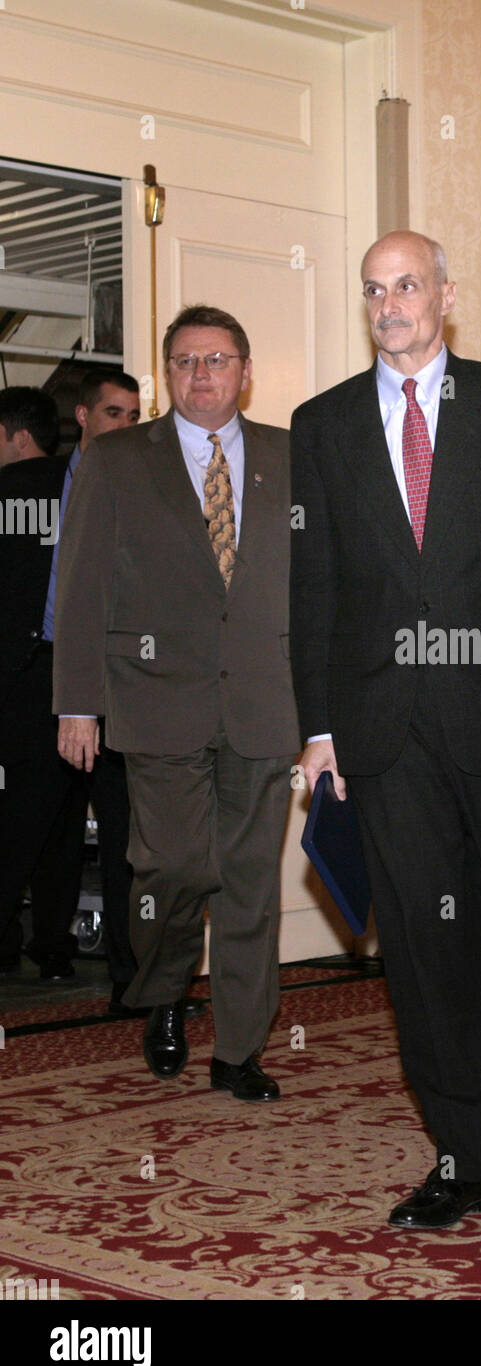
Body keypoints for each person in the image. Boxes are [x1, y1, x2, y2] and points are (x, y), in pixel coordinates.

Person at [291, 231, 481, 1228]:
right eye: (374, 289)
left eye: (407, 285)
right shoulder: (322, 424)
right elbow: (312, 584)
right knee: (418, 935)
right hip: (380, 724)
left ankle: (452, 1044)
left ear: (447, 293)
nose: (390, 303)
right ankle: (464, 1147)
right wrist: (317, 730)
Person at [54, 306, 299, 1100]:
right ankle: (162, 993)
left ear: (245, 372)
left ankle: (238, 1047)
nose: (203, 375)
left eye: (218, 360)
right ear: (169, 375)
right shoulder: (119, 459)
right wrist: (76, 705)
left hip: (263, 703)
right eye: (187, 362)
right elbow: (83, 586)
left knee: (250, 884)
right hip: (156, 703)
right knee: (175, 866)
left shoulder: (290, 458)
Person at [46, 371, 143, 1010]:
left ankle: (131, 979)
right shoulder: (38, 487)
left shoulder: (142, 486)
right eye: (113, 412)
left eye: (135, 416)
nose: (125, 427)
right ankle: (45, 952)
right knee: (43, 829)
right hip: (39, 681)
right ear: (83, 415)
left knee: (123, 840)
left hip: (120, 688)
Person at [0, 386, 70, 978]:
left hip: (15, 684)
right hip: (74, 681)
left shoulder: (5, 492)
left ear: (17, 436)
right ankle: (54, 942)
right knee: (61, 820)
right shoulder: (82, 485)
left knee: (18, 819)